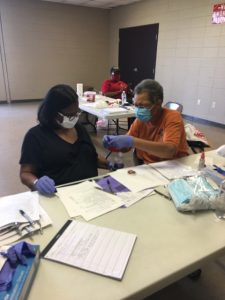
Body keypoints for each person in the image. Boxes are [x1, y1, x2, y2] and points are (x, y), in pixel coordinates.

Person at [19, 84, 110, 196]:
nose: (75, 118)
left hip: (90, 192)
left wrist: (109, 164)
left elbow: (90, 157)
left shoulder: (79, 128)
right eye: (70, 115)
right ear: (53, 113)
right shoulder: (35, 136)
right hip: (58, 196)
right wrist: (36, 182)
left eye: (77, 113)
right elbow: (25, 173)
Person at [102, 79, 189, 164]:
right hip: (148, 166)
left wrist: (133, 141)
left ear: (158, 103)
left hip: (173, 166)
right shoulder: (140, 120)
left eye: (143, 106)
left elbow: (169, 151)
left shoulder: (172, 117)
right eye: (136, 105)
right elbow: (127, 147)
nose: (139, 110)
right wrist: (116, 143)